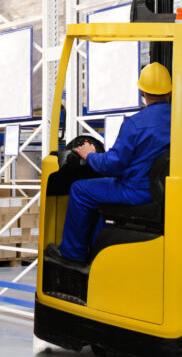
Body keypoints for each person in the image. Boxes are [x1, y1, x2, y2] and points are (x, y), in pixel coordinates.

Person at [58, 63, 175, 264]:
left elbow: (112, 165)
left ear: (142, 91)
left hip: (135, 191)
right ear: (170, 90)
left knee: (80, 189)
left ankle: (72, 255)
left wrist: (89, 155)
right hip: (167, 191)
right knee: (100, 195)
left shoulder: (135, 123)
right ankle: (97, 249)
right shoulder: (181, 119)